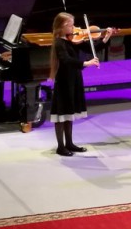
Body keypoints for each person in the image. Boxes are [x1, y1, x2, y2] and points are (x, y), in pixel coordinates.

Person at [49, 12, 113, 156]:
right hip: (64, 80)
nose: (74, 28)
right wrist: (86, 63)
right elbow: (66, 60)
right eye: (70, 26)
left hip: (74, 78)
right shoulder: (59, 43)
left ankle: (69, 143)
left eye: (73, 25)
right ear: (61, 27)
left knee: (69, 113)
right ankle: (60, 146)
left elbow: (90, 48)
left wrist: (106, 37)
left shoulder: (73, 40)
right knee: (61, 114)